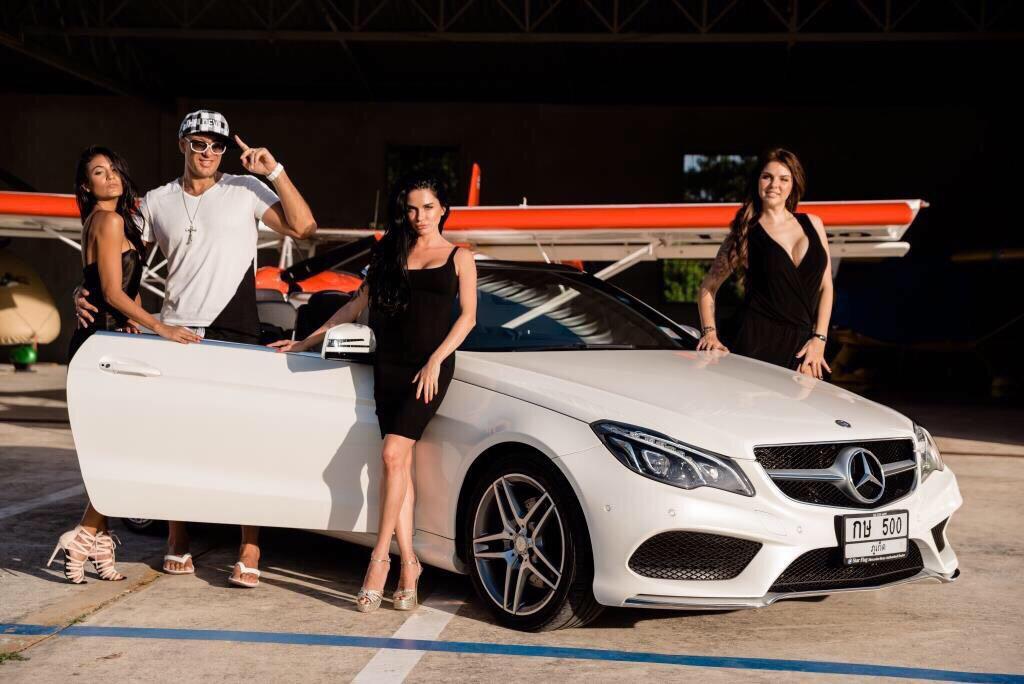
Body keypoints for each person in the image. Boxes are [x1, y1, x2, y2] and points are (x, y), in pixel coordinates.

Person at [75, 110, 317, 587]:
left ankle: (249, 546)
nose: (208, 152)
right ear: (182, 144)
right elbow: (111, 254)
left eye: (217, 145)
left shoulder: (246, 189)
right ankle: (177, 538)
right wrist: (82, 290)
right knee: (176, 439)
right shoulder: (156, 201)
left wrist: (273, 170)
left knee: (244, 441)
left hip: (236, 327)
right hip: (177, 330)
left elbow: (304, 227)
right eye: (199, 143)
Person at [270, 174, 477, 612]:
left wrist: (436, 360)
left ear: (443, 209)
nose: (419, 216)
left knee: (391, 455)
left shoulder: (460, 257)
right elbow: (354, 306)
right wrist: (306, 342)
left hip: (429, 370)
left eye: (428, 207)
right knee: (400, 465)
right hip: (389, 367)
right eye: (412, 208)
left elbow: (468, 319)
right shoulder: (390, 254)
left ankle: (379, 559)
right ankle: (411, 566)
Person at [50, 146, 201, 584]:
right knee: (129, 449)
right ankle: (85, 535)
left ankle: (96, 540)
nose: (111, 176)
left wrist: (135, 321)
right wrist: (160, 327)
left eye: (114, 169)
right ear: (86, 185)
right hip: (102, 347)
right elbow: (113, 293)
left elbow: (114, 288)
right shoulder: (109, 221)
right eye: (99, 172)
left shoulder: (108, 220)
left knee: (117, 449)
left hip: (108, 340)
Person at [696, 148, 833, 379]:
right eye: (767, 177)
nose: (774, 185)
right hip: (754, 345)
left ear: (793, 184)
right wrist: (710, 333)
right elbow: (707, 287)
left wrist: (819, 339)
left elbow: (826, 287)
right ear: (757, 181)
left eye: (783, 179)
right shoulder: (745, 233)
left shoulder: (814, 223)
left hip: (804, 348)